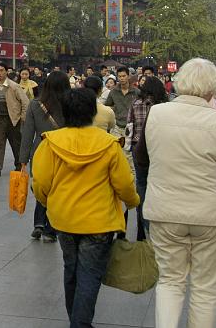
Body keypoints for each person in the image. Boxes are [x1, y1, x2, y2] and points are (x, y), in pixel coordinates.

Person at [134, 58, 216, 328]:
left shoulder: (157, 114)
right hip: (210, 215)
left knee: (170, 281)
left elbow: (141, 159)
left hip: (164, 211)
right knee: (205, 287)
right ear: (213, 88)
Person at [32, 88, 139, 328]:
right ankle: (80, 323)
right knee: (90, 274)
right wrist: (133, 202)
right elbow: (124, 184)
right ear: (92, 113)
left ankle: (76, 319)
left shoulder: (51, 143)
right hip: (99, 223)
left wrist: (47, 201)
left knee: (71, 269)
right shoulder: (109, 145)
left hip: (64, 220)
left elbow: (40, 182)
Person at [21, 70, 70, 242]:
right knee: (57, 189)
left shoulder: (35, 104)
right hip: (63, 150)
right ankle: (50, 229)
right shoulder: (70, 103)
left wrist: (23, 159)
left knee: (41, 186)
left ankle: (39, 223)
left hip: (40, 149)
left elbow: (27, 132)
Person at [127, 75, 168, 242]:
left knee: (141, 185)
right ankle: (157, 224)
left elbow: (130, 127)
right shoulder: (165, 106)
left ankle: (142, 225)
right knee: (158, 184)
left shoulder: (136, 104)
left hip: (139, 149)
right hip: (160, 148)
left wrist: (129, 148)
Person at [0, 61, 29, 177]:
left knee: (16, 143)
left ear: (6, 72)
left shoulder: (14, 86)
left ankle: (19, 164)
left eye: (1, 71)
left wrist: (23, 118)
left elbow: (25, 102)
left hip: (13, 119)